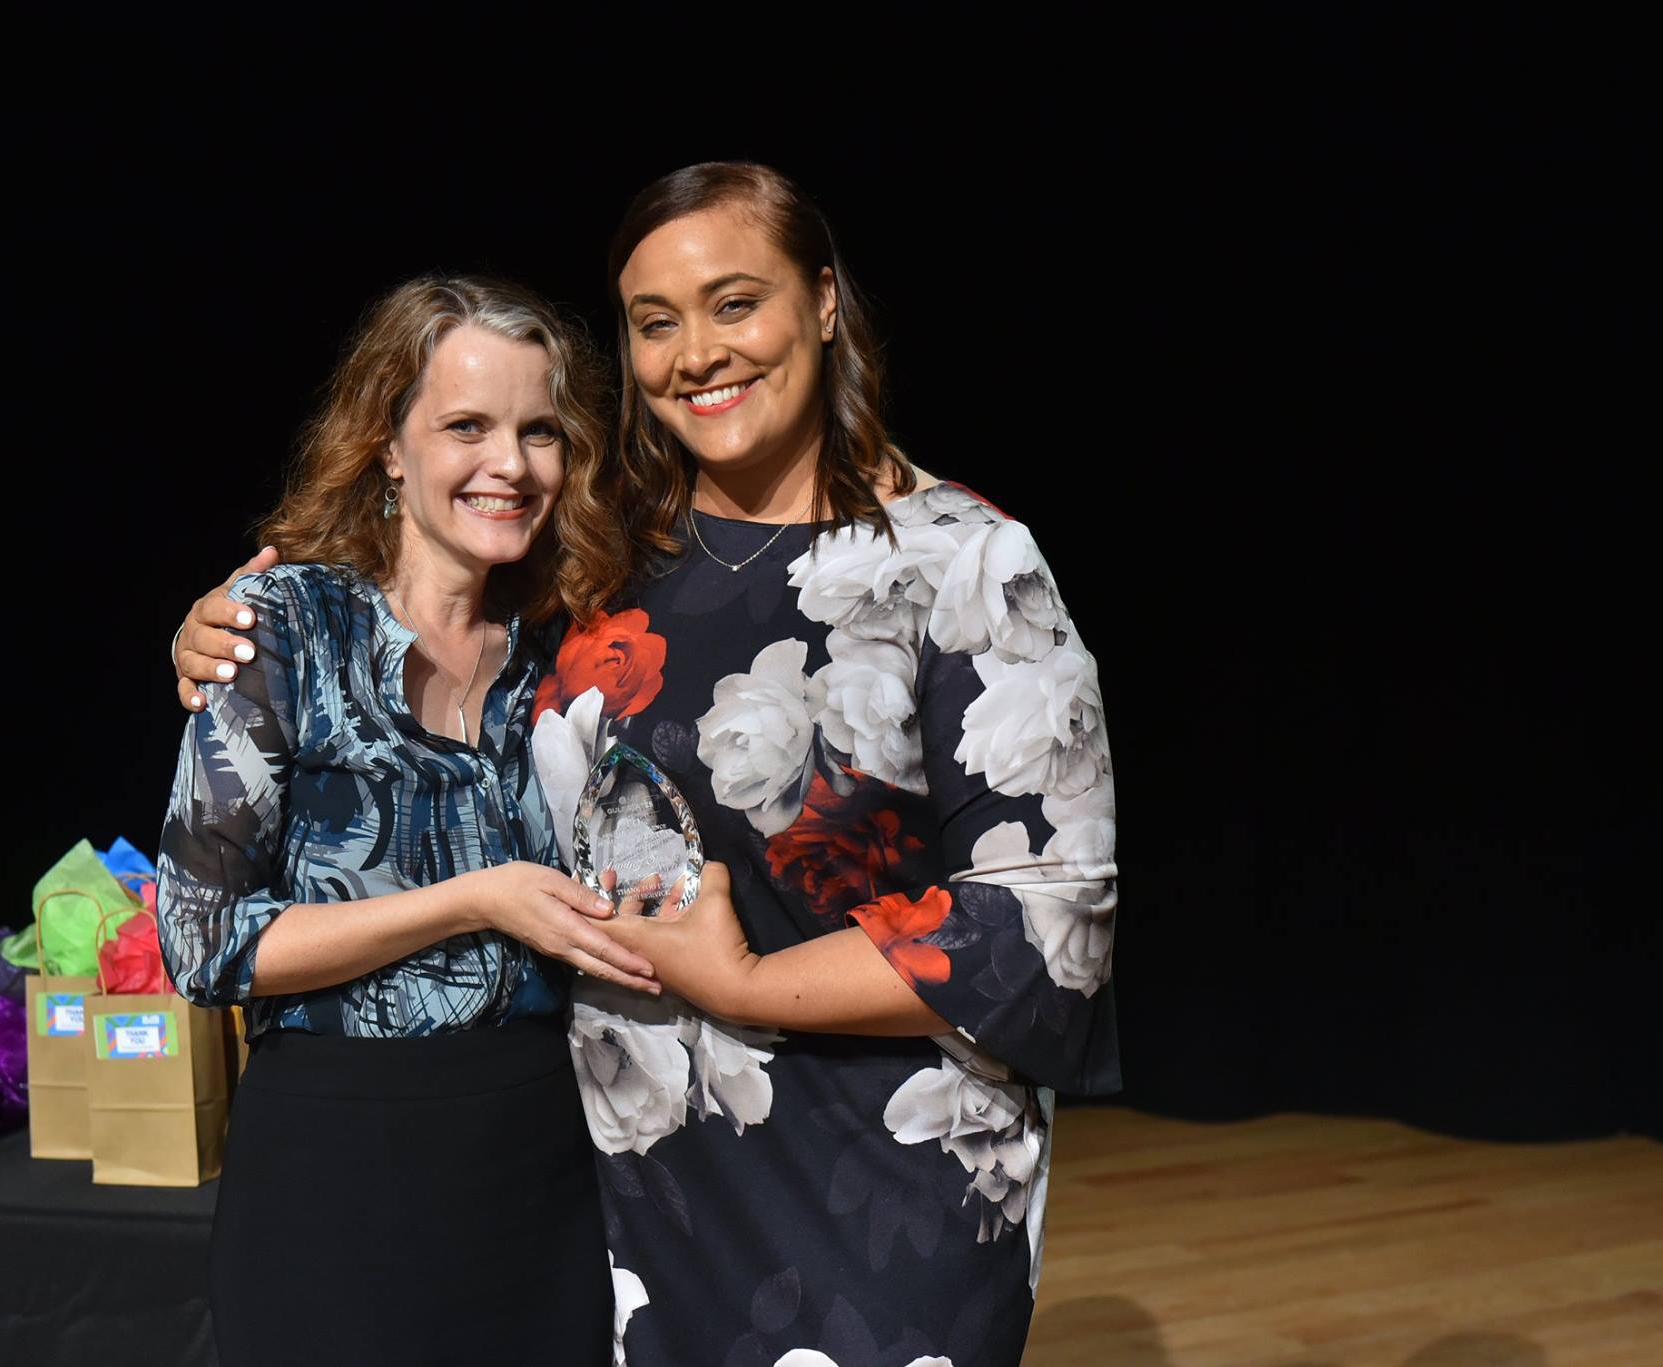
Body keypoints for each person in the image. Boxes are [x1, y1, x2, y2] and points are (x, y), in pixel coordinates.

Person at [173, 165, 1122, 1366]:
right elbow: (407, 602)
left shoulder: (966, 564)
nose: (697, 352)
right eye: (654, 321)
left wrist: (743, 983)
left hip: (875, 1181)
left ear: (823, 300)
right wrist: (217, 636)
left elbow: (1048, 922)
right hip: (631, 1199)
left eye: (735, 303)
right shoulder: (608, 555)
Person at [154, 275, 655, 1367]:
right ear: (387, 445)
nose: (508, 463)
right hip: (334, 1170)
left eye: (538, 431)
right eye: (466, 426)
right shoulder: (283, 628)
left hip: (539, 1169)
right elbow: (202, 941)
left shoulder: (567, 651)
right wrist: (475, 900)